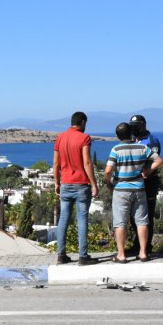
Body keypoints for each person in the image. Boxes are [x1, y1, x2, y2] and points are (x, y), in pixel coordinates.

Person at [105, 122, 163, 263]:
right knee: (142, 221)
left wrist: (109, 184)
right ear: (131, 133)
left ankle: (121, 255)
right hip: (139, 188)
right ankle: (143, 253)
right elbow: (159, 160)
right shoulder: (142, 147)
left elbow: (108, 171)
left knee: (120, 223)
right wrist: (148, 171)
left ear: (118, 136)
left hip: (121, 189)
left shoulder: (116, 149)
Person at [53, 111, 99, 266]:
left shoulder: (60, 137)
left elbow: (56, 163)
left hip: (65, 184)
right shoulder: (84, 138)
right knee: (82, 220)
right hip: (81, 185)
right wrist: (94, 184)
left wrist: (57, 182)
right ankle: (82, 256)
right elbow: (87, 162)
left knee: (63, 219)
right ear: (83, 122)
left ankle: (61, 255)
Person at [129, 114, 162, 255]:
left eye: (136, 126)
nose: (134, 129)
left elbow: (156, 160)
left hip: (149, 182)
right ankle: (137, 244)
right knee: (133, 215)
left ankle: (147, 246)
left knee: (146, 214)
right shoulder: (131, 139)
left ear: (143, 125)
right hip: (133, 182)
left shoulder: (152, 140)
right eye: (132, 126)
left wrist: (148, 171)